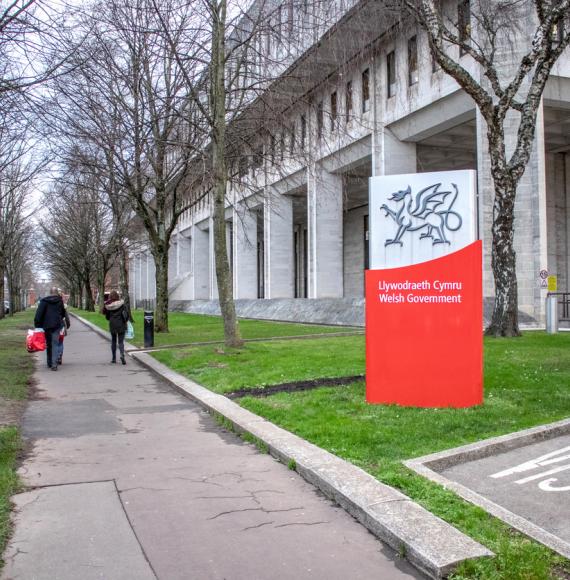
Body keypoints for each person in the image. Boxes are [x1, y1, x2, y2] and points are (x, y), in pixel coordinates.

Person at [34, 287, 68, 371]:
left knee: (49, 344)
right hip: (57, 325)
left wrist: (37, 324)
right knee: (55, 344)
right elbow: (63, 313)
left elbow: (39, 314)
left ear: (50, 293)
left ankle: (49, 362)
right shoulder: (60, 301)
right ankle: (54, 364)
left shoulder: (44, 301)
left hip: (46, 325)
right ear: (56, 293)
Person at [102, 290, 129, 365]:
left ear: (110, 297)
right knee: (121, 341)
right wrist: (125, 321)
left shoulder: (108, 306)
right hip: (121, 324)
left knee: (113, 341)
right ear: (117, 296)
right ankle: (122, 354)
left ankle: (114, 358)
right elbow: (126, 315)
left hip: (112, 324)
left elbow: (107, 317)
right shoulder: (122, 304)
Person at [56, 293, 71, 365]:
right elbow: (66, 318)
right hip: (61, 326)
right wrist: (67, 326)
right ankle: (59, 356)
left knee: (53, 343)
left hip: (51, 327)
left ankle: (53, 357)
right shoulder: (63, 306)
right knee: (60, 343)